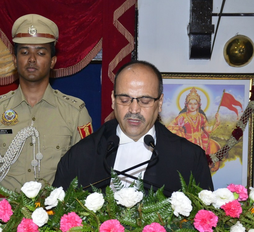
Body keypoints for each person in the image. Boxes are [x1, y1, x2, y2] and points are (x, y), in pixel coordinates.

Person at [53, 60, 213, 195]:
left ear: (160, 103)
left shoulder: (189, 158)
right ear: (113, 100)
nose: (134, 109)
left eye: (145, 101)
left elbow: (203, 220)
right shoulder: (81, 155)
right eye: (124, 99)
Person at [0, 14, 93, 192]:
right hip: (3, 216)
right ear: (14, 60)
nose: (32, 59)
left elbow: (84, 175)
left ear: (53, 61)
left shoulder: (75, 113)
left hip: (55, 215)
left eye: (41, 52)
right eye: (25, 52)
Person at [167, 87, 220, 161]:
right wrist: (180, 127)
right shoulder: (182, 116)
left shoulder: (201, 116)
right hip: (187, 143)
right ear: (186, 105)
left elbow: (208, 130)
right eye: (190, 103)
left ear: (198, 105)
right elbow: (170, 127)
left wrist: (217, 123)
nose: (192, 106)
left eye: (195, 104)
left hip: (199, 143)